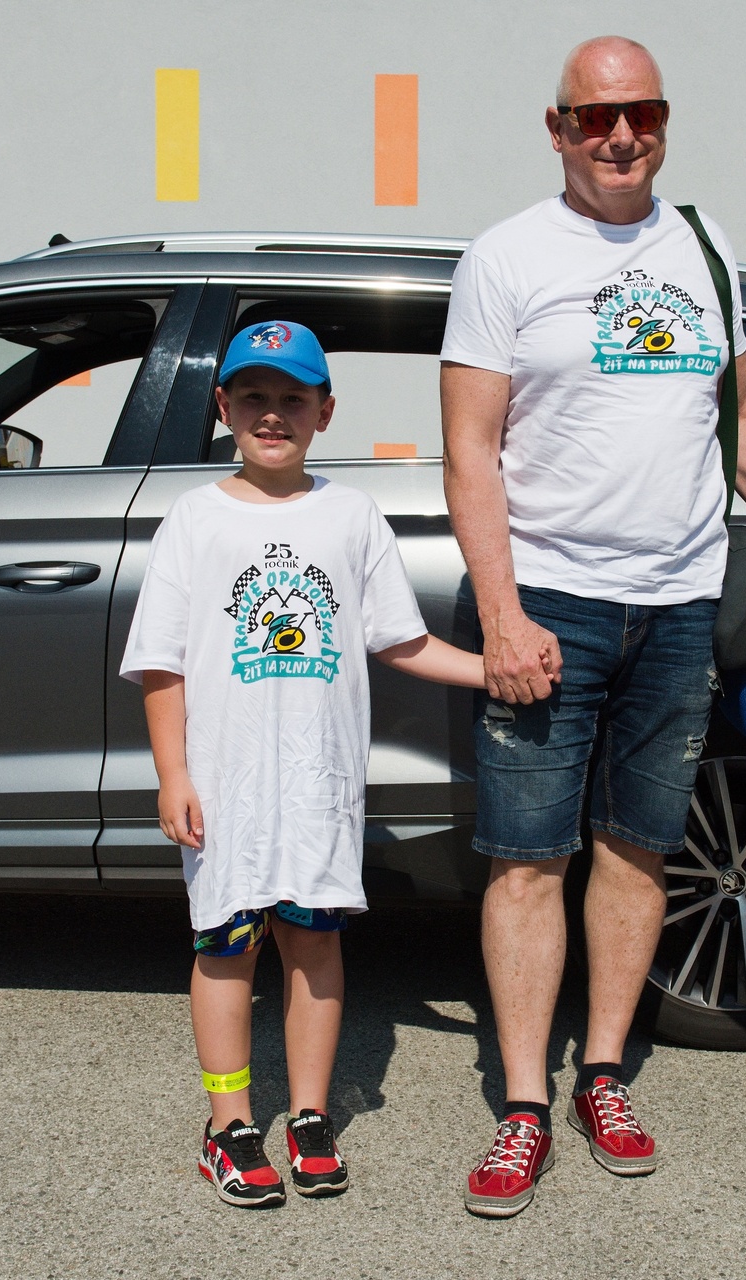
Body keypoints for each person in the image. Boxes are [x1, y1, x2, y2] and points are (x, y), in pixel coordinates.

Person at [440, 35, 746, 1219]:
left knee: (640, 848)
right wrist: (502, 612)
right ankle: (525, 1102)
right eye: (593, 117)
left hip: (682, 602)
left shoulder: (705, 246)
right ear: (557, 129)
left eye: (640, 111)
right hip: (550, 601)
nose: (619, 135)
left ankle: (603, 1073)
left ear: (664, 119)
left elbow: (740, 412)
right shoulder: (506, 256)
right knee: (527, 859)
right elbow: (469, 450)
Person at [120, 320, 484, 1209]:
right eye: (254, 396)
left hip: (318, 785)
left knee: (314, 943)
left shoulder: (350, 514)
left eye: (293, 397)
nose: (272, 414)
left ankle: (311, 1115)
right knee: (226, 946)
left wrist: (494, 671)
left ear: (326, 411)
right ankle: (229, 1125)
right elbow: (161, 662)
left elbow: (399, 639)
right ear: (223, 407)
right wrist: (173, 774)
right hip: (225, 786)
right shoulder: (194, 518)